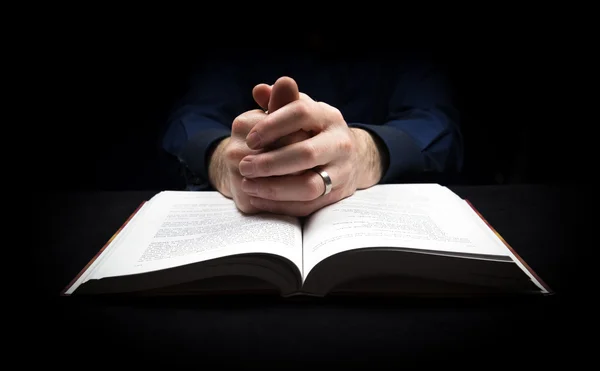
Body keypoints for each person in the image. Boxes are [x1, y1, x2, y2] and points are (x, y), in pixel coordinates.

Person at [161, 37, 464, 217]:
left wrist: (362, 153)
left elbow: (437, 124)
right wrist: (225, 159)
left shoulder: (404, 47)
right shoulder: (238, 46)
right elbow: (189, 120)